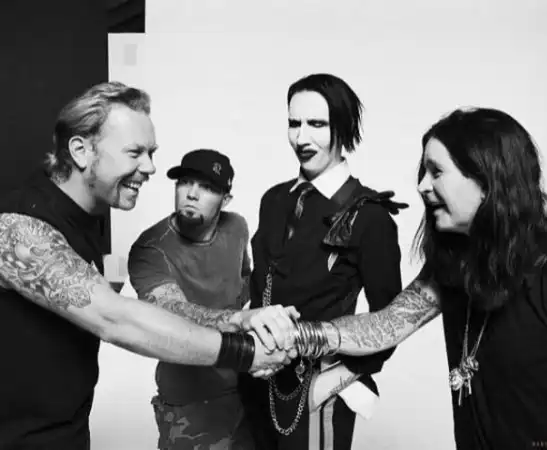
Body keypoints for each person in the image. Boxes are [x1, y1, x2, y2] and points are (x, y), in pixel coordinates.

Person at [0, 81, 298, 450]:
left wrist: (243, 319)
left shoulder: (90, 218)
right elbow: (115, 318)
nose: (151, 167)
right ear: (80, 151)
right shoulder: (18, 228)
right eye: (135, 153)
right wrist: (246, 350)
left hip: (66, 434)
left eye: (151, 152)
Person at [292, 107, 547, 449]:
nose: (422, 186)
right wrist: (294, 335)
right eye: (423, 172)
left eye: (436, 172)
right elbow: (386, 325)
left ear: (488, 179)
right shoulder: (453, 264)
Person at [239, 73, 408, 450]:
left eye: (316, 124)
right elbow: (260, 292)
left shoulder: (370, 216)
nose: (301, 137)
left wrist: (338, 378)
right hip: (257, 381)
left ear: (342, 128)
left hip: (319, 391)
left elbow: (391, 322)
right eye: (294, 123)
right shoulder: (274, 200)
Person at [128, 148, 256, 449]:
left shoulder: (236, 228)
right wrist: (238, 320)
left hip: (244, 388)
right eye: (185, 182)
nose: (192, 194)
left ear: (225, 199)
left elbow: (245, 282)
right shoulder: (151, 248)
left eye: (207, 187)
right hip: (188, 402)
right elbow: (170, 312)